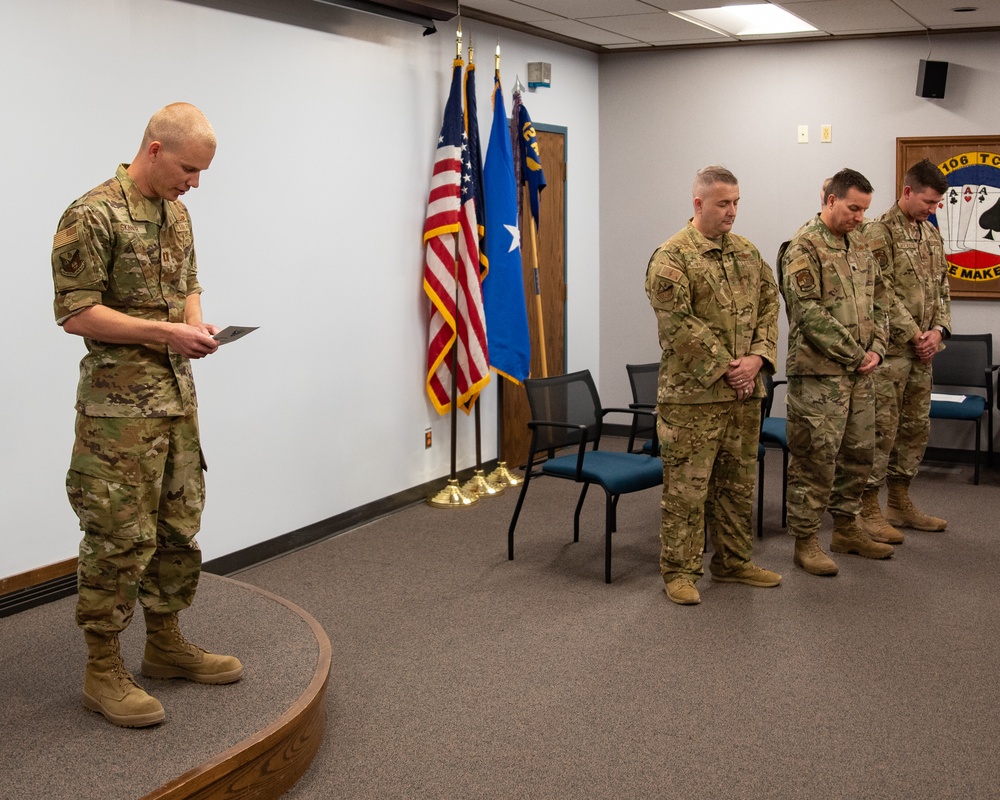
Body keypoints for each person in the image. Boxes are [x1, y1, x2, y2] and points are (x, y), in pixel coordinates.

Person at [51, 103, 241, 728]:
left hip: (176, 402)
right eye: (189, 168)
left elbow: (189, 284)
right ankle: (102, 669)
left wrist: (194, 326)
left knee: (176, 528)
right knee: (117, 538)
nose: (195, 182)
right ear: (154, 150)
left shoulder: (178, 216)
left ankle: (165, 644)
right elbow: (77, 313)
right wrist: (162, 334)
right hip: (117, 415)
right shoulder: (91, 214)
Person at [645, 165, 781, 605]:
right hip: (694, 399)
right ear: (698, 203)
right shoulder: (672, 258)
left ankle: (734, 561)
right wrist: (729, 366)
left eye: (737, 202)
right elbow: (678, 325)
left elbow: (769, 308)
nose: (733, 211)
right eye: (724, 203)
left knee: (738, 484)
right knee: (688, 490)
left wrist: (758, 359)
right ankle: (680, 571)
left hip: (743, 394)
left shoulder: (747, 252)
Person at [778, 168, 893, 576]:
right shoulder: (803, 247)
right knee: (816, 459)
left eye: (864, 209)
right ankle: (805, 540)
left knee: (860, 453)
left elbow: (881, 298)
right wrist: (855, 354)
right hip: (820, 376)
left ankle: (846, 529)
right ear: (830, 200)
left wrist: (877, 348)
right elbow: (807, 312)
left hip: (861, 373)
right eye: (853, 207)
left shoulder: (859, 245)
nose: (860, 216)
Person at [859, 160, 951, 541]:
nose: (932, 209)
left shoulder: (930, 235)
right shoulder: (879, 232)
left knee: (914, 430)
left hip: (922, 355)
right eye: (928, 201)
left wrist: (938, 330)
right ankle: (868, 509)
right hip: (892, 353)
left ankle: (899, 501)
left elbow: (943, 287)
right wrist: (915, 333)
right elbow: (881, 292)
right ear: (908, 191)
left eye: (936, 204)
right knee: (882, 431)